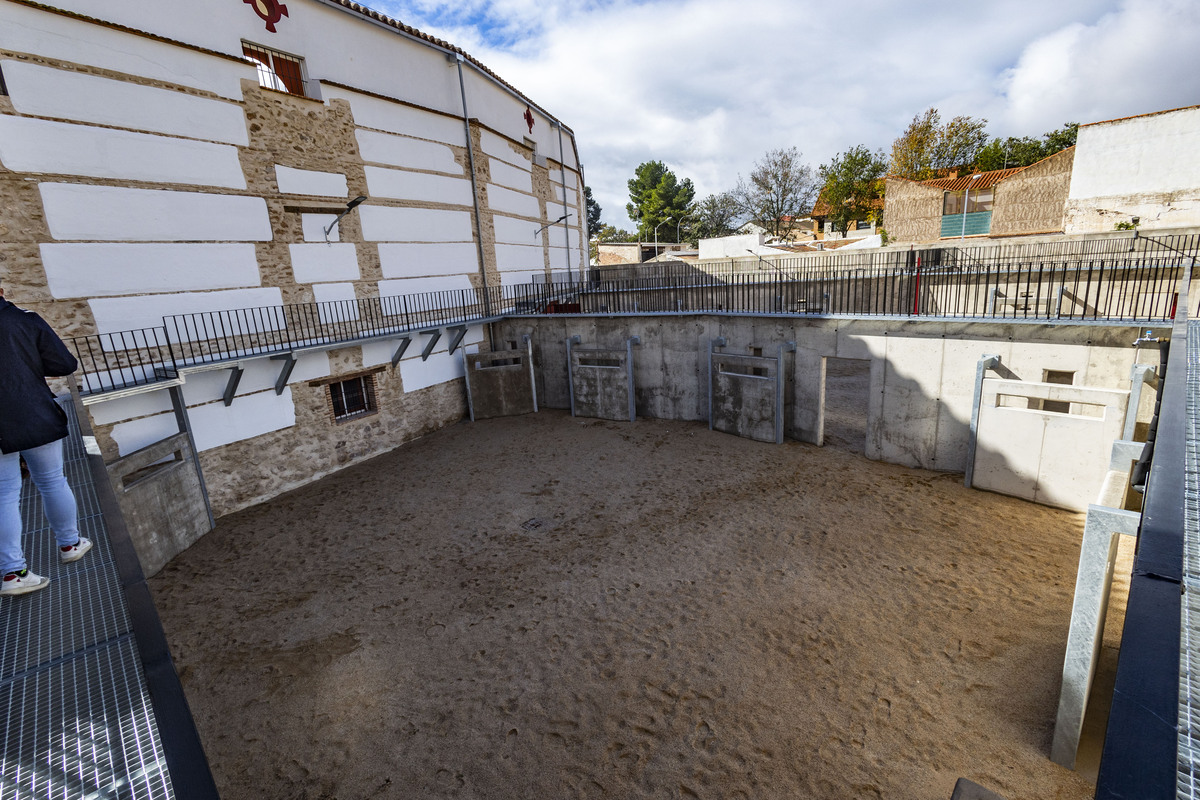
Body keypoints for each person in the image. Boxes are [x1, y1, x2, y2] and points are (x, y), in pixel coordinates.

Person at [0, 284, 91, 596]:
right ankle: (70, 544)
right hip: (33, 412)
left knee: (3, 495)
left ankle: (12, 574)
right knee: (52, 480)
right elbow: (64, 364)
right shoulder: (25, 320)